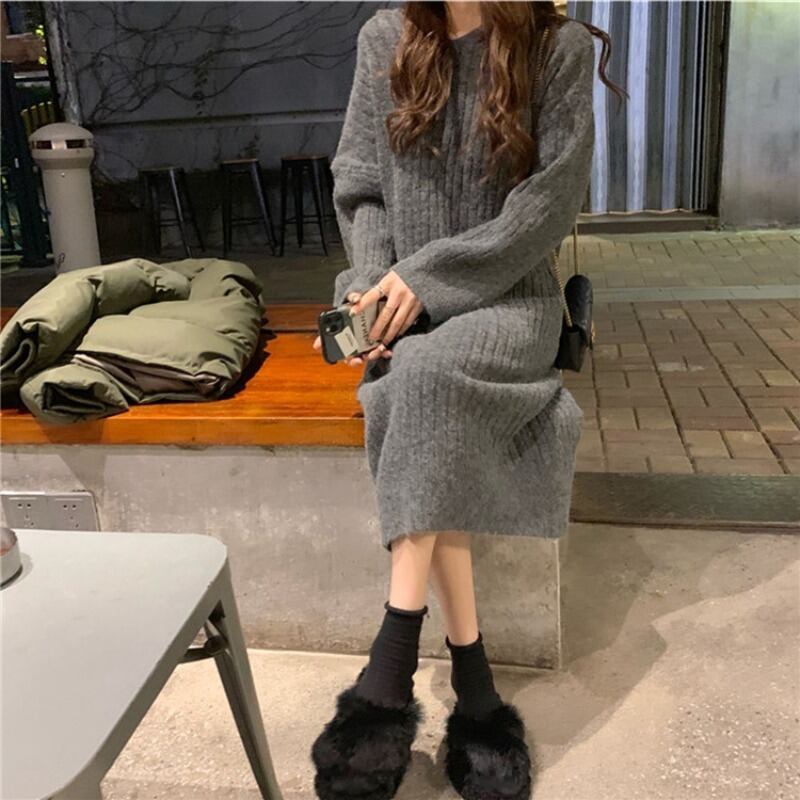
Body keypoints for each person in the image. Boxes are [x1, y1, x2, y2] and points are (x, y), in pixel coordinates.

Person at [311, 3, 622, 799]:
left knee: (421, 383)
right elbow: (362, 188)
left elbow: (547, 206)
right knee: (422, 386)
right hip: (405, 304)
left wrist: (426, 279)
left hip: (510, 301)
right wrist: (374, 291)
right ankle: (475, 687)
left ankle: (386, 677)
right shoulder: (384, 38)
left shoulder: (555, 47)